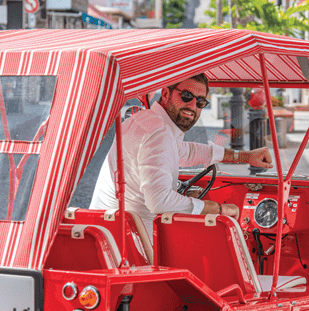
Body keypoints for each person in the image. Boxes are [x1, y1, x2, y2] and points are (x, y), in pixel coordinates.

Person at [90, 73, 272, 226]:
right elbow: (160, 201)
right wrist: (219, 209)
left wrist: (245, 156)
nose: (192, 106)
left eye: (200, 102)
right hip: (136, 246)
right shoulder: (159, 133)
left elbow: (185, 152)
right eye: (186, 96)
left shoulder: (146, 121)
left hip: (110, 229)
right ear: (166, 94)